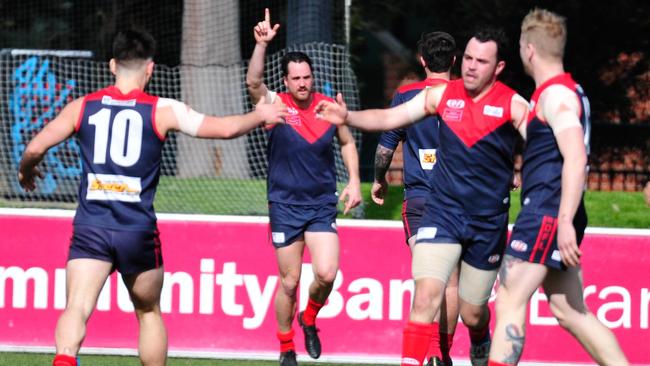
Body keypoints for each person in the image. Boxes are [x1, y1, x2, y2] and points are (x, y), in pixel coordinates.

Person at [18, 29, 287, 366]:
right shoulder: (162, 110)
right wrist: (260, 115)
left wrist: (27, 171)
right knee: (148, 311)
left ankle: (65, 359)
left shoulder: (82, 107)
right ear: (151, 69)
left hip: (92, 226)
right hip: (137, 231)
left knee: (76, 307)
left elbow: (34, 148)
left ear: (113, 66)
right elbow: (225, 129)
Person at [316, 27, 529, 366]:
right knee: (426, 295)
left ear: (498, 67)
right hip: (441, 212)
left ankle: (478, 337)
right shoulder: (442, 96)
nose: (473, 66)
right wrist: (349, 117)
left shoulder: (514, 104)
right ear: (461, 60)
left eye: (482, 61)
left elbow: (543, 147)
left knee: (474, 312)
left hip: (485, 221)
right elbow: (389, 118)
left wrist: (523, 175)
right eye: (469, 58)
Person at [487, 9, 629, 366]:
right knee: (569, 310)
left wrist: (564, 220)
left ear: (529, 49)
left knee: (509, 297)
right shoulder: (563, 92)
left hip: (548, 212)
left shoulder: (556, 96)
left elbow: (576, 156)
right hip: (556, 211)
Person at [245, 9, 362, 366]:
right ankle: (285, 346)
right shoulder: (275, 103)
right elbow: (252, 83)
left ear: (313, 77)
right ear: (286, 79)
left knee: (326, 273)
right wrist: (261, 45)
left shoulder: (327, 107)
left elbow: (346, 141)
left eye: (307, 77)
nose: (302, 83)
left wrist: (355, 179)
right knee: (290, 281)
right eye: (295, 78)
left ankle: (309, 317)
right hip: (284, 205)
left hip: (321, 205)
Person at [372, 31, 460, 366]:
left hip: (421, 201)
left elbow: (386, 146)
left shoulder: (406, 96)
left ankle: (429, 355)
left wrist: (379, 180)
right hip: (459, 202)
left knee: (427, 279)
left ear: (422, 61)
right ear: (453, 61)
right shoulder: (468, 96)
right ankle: (443, 354)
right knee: (450, 283)